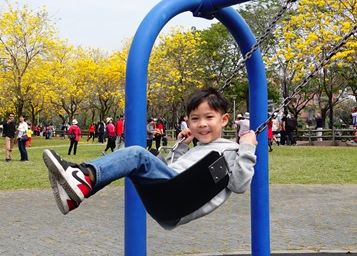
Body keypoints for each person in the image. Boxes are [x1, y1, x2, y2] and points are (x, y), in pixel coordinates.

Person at [42, 87, 257, 230]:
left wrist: (246, 147)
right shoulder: (198, 150)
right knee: (135, 165)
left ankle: (83, 177)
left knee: (137, 154)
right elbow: (175, 170)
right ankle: (76, 192)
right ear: (188, 122)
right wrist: (181, 148)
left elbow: (239, 185)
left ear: (224, 119)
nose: (202, 124)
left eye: (209, 117)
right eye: (195, 119)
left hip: (179, 200)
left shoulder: (230, 150)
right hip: (167, 201)